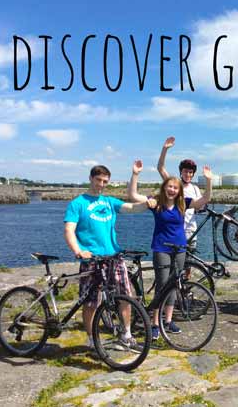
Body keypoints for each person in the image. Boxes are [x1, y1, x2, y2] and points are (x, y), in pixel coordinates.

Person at [64, 165, 153, 350]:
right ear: (91, 178)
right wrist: (78, 250)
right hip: (91, 259)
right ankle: (91, 339)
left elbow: (131, 208)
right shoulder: (77, 203)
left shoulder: (109, 201)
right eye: (99, 180)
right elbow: (69, 230)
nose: (101, 185)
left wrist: (148, 203)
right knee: (91, 303)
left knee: (125, 296)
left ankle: (126, 334)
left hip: (114, 257)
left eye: (105, 181)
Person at [128, 160, 212, 340]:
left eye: (175, 187)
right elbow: (133, 196)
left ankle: (168, 321)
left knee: (175, 284)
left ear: (179, 190)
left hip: (180, 248)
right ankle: (155, 323)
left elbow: (204, 200)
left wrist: (209, 181)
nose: (172, 190)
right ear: (164, 188)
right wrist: (135, 174)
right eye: (170, 187)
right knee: (162, 285)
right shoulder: (156, 203)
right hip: (161, 248)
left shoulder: (183, 203)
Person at [157, 137, 202, 251]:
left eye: (190, 172)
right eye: (185, 171)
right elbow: (160, 168)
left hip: (192, 230)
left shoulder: (195, 189)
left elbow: (200, 205)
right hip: (177, 231)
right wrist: (165, 149)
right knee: (177, 263)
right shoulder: (174, 185)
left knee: (190, 263)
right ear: (181, 172)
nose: (188, 174)